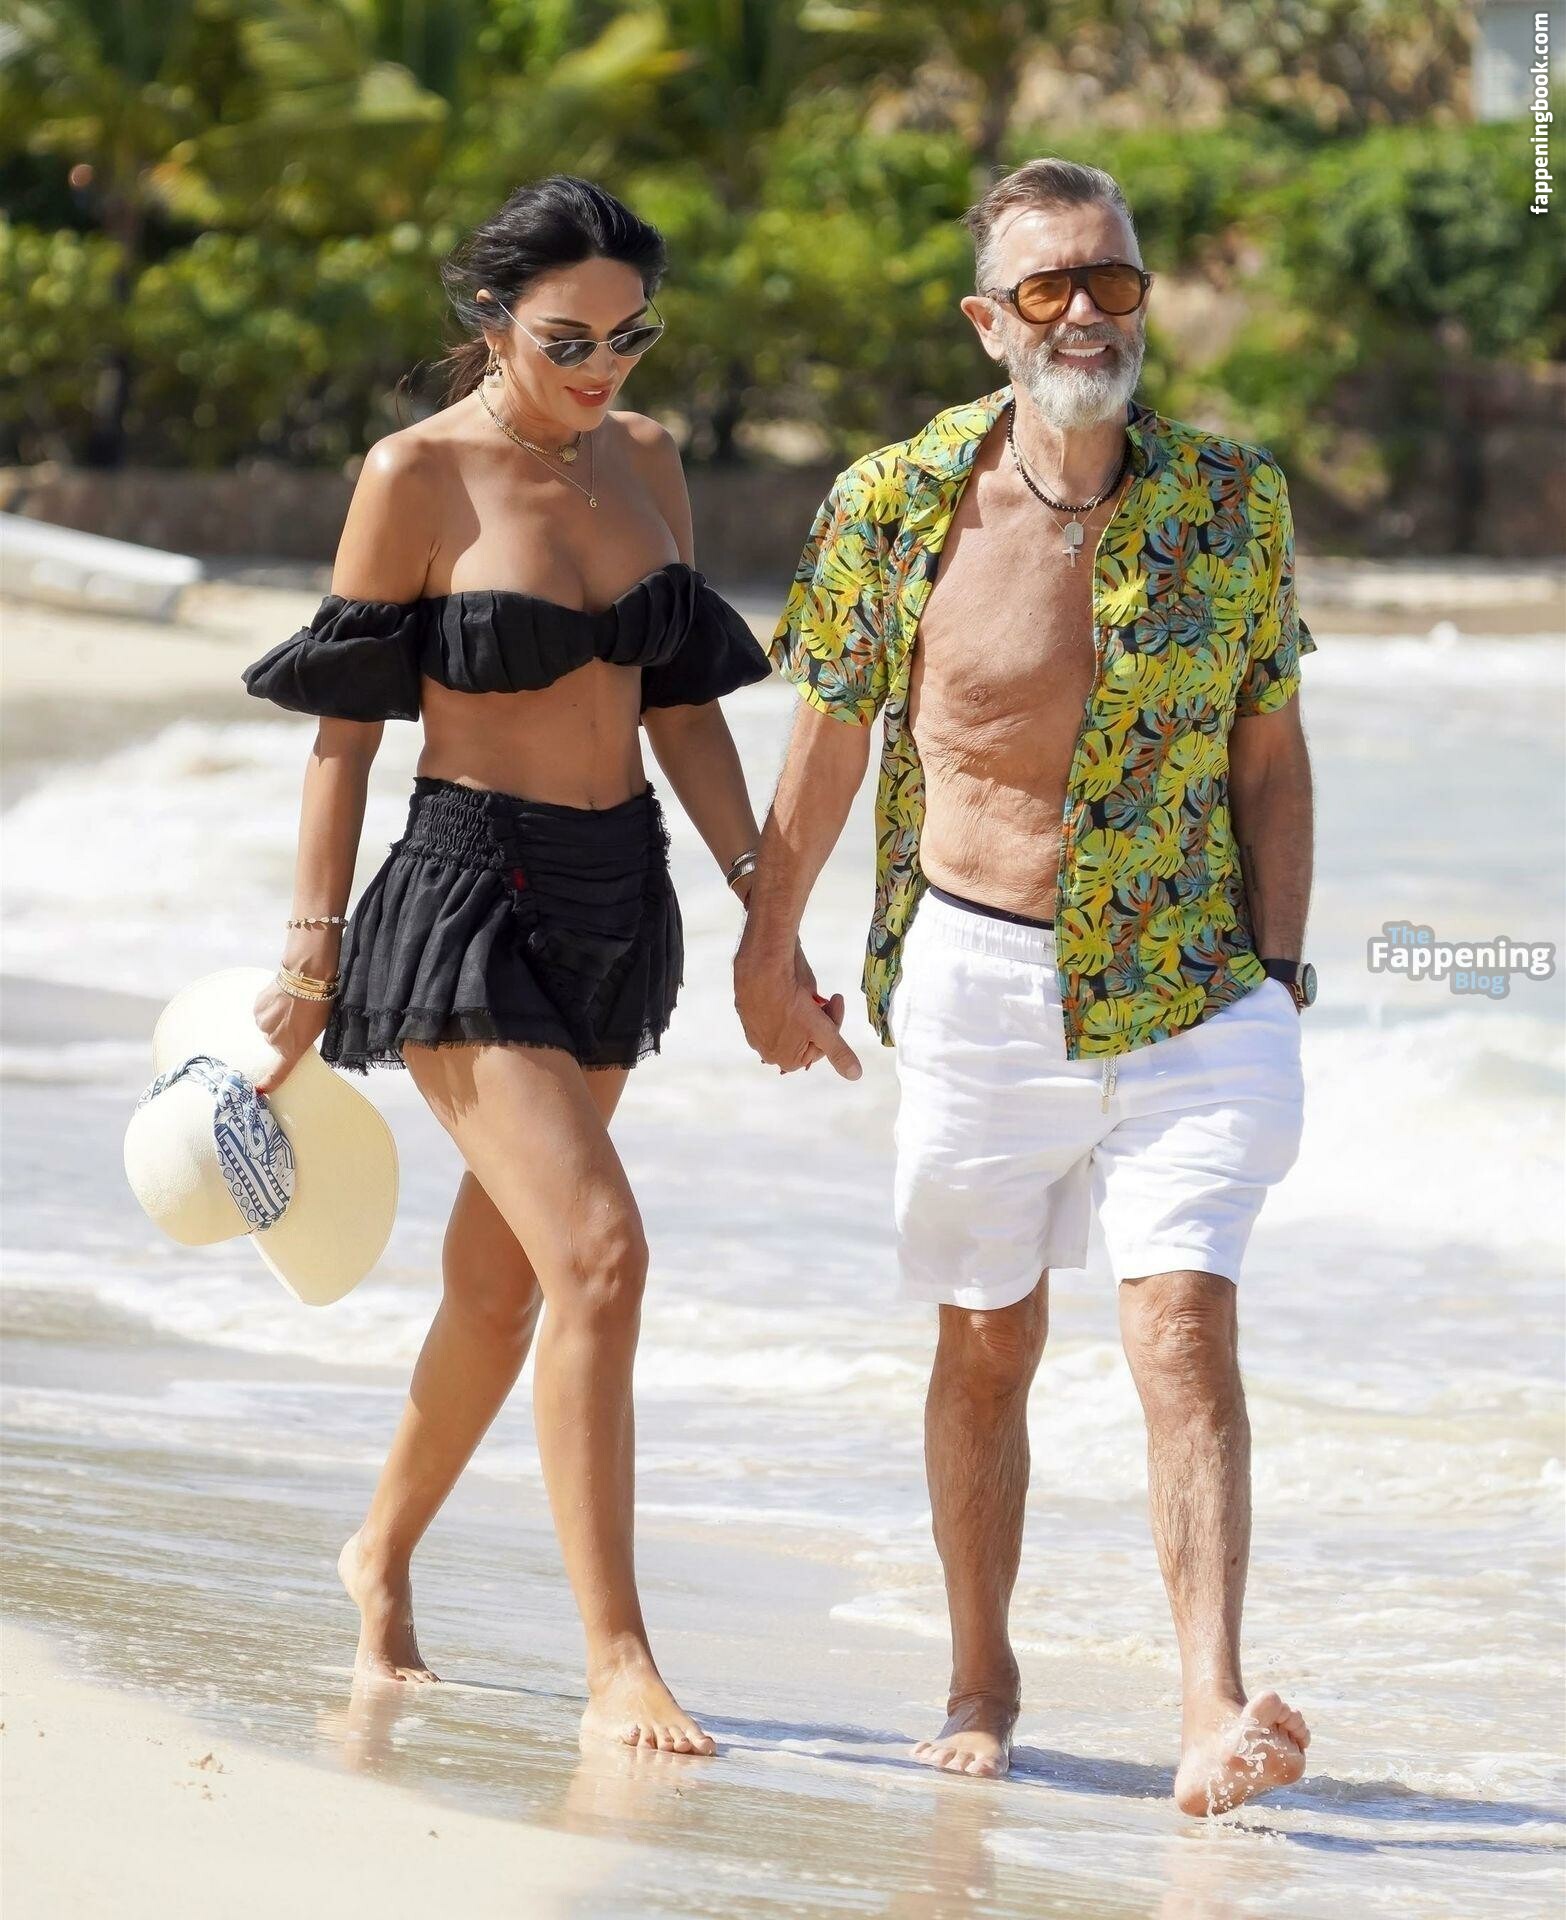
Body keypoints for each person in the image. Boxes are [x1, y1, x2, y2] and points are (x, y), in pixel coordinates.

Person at [735, 157, 1318, 1815]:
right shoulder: (893, 505)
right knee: (987, 1338)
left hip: (1193, 985)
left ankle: (1208, 1704)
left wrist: (1278, 973)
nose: (1083, 313)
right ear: (987, 321)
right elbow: (827, 742)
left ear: (1143, 302)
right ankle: (979, 1675)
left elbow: (1269, 748)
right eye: (1046, 287)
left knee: (1181, 1327)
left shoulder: (1234, 501)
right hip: (980, 975)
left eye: (1109, 281)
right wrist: (768, 948)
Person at [242, 174, 836, 1756]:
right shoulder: (417, 474)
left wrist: (764, 908)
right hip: (466, 893)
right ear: (491, 317)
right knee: (601, 1254)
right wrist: (308, 955)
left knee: (503, 1284)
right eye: (569, 338)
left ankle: (377, 1554)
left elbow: (681, 707)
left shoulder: (646, 459)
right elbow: (342, 738)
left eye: (631, 337)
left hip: (616, 895)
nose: (602, 367)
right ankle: (617, 1659)